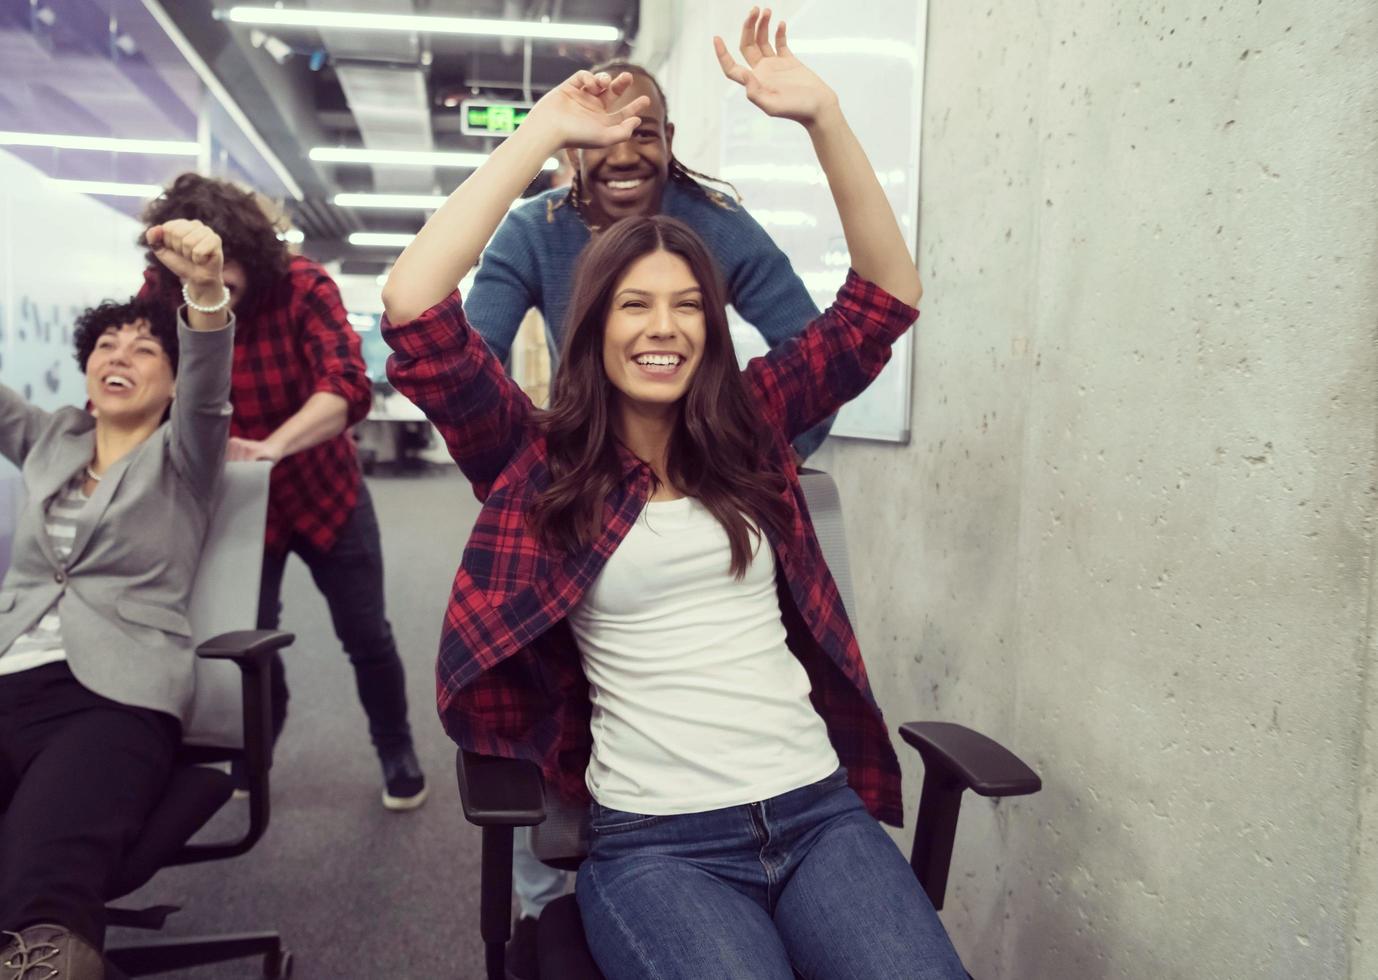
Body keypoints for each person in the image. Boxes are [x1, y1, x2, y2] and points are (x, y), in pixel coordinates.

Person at [380, 9, 965, 978]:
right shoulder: (541, 466)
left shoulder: (752, 429)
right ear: (595, 326)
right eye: (634, 304)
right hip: (658, 842)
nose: (665, 326)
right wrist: (543, 135)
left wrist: (823, 114)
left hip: (818, 809)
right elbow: (414, 311)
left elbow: (883, 297)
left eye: (688, 304)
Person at [137, 176, 427, 811]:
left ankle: (396, 748)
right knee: (245, 639)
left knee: (366, 635)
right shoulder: (163, 292)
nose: (216, 278)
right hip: (237, 501)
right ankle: (256, 745)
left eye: (228, 262)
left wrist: (274, 445)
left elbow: (347, 385)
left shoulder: (303, 284)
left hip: (324, 489)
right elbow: (146, 383)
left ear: (250, 249)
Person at [0, 221, 234, 979]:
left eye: (143, 348)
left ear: (171, 382)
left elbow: (209, 378)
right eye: (106, 346)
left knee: (45, 876)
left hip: (113, 696)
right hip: (9, 676)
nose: (118, 357)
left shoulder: (186, 455)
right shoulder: (50, 438)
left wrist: (202, 290)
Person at [465, 59, 833, 461]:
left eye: (642, 134)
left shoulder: (720, 224)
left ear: (667, 139)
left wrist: (770, 461)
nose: (622, 155)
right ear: (573, 151)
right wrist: (527, 467)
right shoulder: (531, 231)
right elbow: (469, 369)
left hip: (695, 466)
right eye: (601, 137)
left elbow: (823, 360)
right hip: (583, 463)